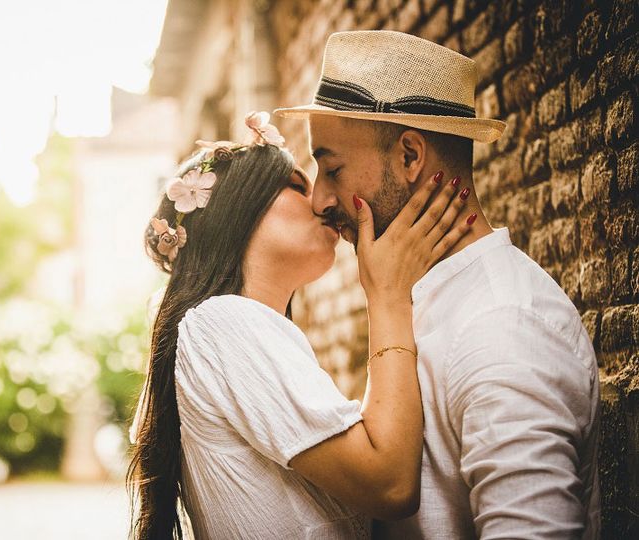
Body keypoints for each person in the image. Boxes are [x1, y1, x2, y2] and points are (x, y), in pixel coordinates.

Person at [275, 30, 601, 539]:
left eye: (333, 167)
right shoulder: (412, 299)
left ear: (409, 156)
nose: (319, 199)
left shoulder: (502, 324)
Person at [127, 111, 474, 539]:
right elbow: (389, 484)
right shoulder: (222, 324)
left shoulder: (244, 331)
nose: (322, 203)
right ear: (238, 210)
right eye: (296, 185)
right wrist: (387, 295)